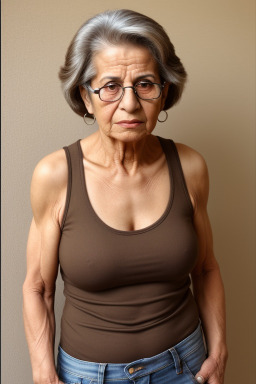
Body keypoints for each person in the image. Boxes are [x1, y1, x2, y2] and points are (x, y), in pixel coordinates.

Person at [23, 9, 228, 384]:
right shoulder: (55, 176)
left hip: (186, 366)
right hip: (87, 376)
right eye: (110, 86)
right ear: (86, 96)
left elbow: (206, 268)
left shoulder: (190, 166)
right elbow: (38, 288)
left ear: (165, 91)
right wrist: (43, 373)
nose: (130, 104)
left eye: (146, 84)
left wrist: (219, 354)